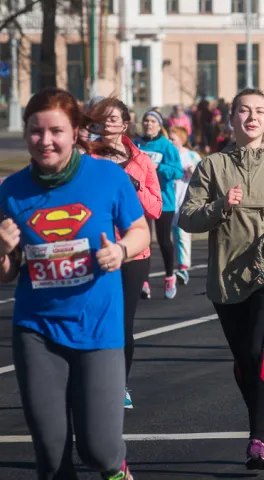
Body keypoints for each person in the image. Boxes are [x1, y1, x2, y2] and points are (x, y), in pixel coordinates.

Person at [1, 87, 150, 480]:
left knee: (100, 451)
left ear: (75, 132)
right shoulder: (11, 191)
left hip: (98, 326)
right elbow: (7, 271)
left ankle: (116, 469)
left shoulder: (107, 177)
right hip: (37, 329)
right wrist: (2, 250)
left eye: (56, 131)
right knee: (51, 457)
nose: (45, 141)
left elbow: (140, 231)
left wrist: (120, 251)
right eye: (36, 131)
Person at [179, 88, 264, 469]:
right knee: (243, 360)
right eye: (244, 111)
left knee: (258, 352)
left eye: (259, 112)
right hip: (226, 276)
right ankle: (263, 420)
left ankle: (257, 440)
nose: (252, 117)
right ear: (232, 119)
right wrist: (222, 206)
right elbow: (188, 217)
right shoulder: (212, 166)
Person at [87, 97, 163, 410]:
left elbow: (156, 208)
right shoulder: (84, 159)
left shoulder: (142, 161)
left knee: (122, 325)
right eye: (100, 120)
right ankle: (90, 381)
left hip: (133, 253)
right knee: (92, 322)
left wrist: (134, 184)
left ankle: (120, 385)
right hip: (94, 251)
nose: (106, 125)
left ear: (125, 125)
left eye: (112, 119)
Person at [134, 110, 184, 299]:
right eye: (145, 120)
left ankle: (170, 276)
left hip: (163, 200)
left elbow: (177, 172)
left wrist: (158, 167)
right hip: (140, 200)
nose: (148, 124)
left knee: (164, 241)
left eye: (152, 121)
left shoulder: (166, 146)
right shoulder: (136, 144)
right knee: (142, 242)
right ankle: (144, 281)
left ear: (159, 124)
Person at [167, 126, 203, 285]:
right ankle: (174, 267)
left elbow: (204, 174)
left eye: (173, 138)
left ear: (181, 139)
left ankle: (183, 268)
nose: (170, 141)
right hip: (169, 198)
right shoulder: (168, 155)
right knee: (171, 236)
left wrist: (193, 170)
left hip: (186, 198)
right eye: (169, 138)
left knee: (182, 234)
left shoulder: (191, 155)